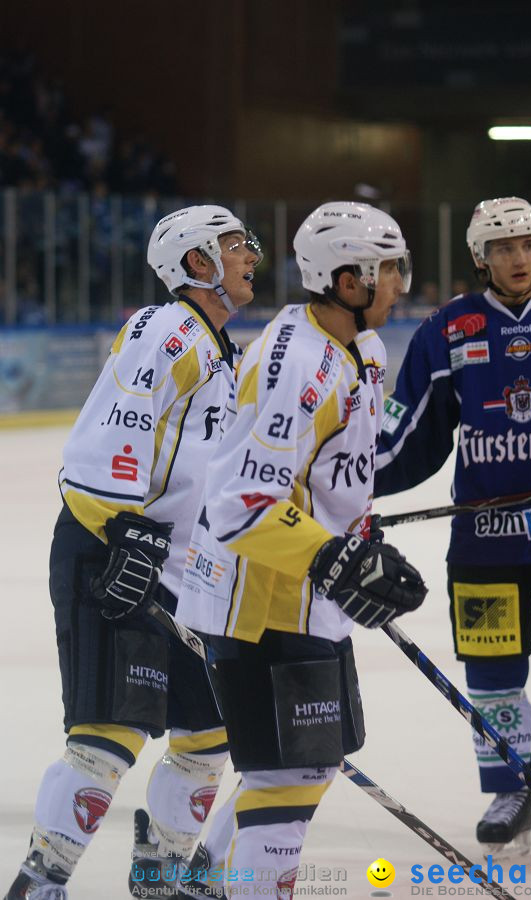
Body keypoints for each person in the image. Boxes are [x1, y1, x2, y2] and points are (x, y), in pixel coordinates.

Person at [4, 204, 263, 900]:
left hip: (175, 574)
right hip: (109, 551)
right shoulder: (167, 326)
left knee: (208, 732)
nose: (250, 255)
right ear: (197, 263)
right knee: (106, 736)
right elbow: (108, 432)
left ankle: (162, 874)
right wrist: (124, 531)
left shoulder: (219, 350)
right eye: (234, 245)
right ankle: (41, 883)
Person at [172, 201, 427, 899]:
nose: (400, 282)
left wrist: (353, 535)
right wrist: (334, 557)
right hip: (257, 600)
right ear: (346, 281)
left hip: (303, 592)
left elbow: (328, 472)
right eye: (387, 270)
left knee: (297, 766)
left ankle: (205, 879)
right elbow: (239, 503)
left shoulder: (362, 346)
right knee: (291, 775)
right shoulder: (298, 366)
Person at [375, 196, 531, 857]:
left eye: (527, 242)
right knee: (493, 677)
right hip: (486, 543)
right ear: (479, 257)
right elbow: (407, 433)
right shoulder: (449, 329)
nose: (518, 257)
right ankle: (509, 793)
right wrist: (346, 488)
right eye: (502, 248)